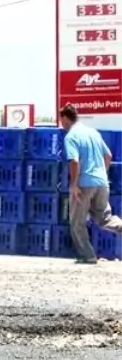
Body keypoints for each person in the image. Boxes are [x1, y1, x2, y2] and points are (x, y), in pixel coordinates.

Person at [59, 104, 122, 264]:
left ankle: (87, 256)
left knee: (77, 222)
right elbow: (108, 155)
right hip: (101, 182)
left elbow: (74, 161)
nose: (62, 124)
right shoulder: (93, 132)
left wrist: (74, 184)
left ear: (65, 118)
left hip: (84, 184)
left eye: (62, 120)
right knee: (105, 218)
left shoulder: (71, 136)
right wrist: (102, 174)